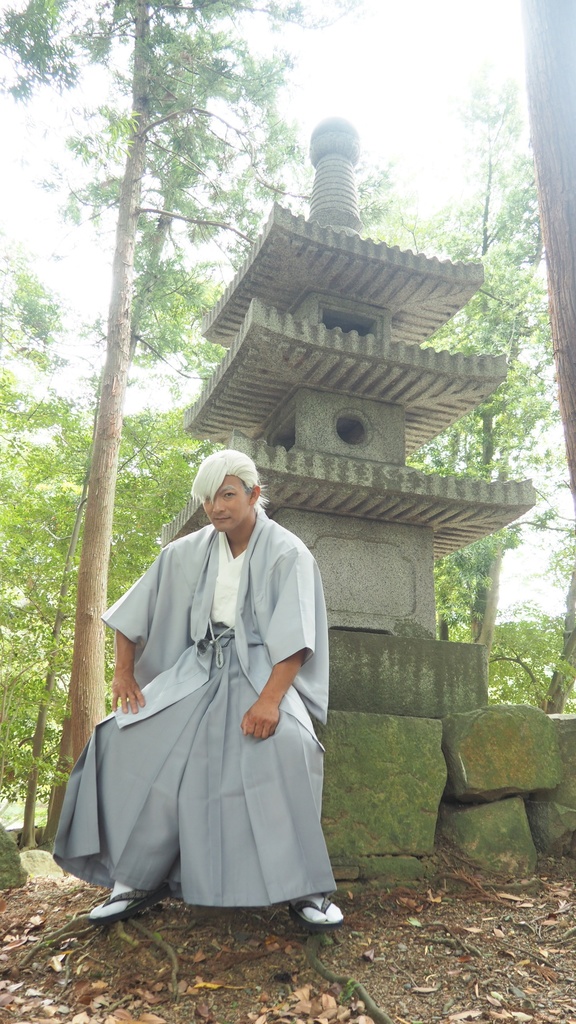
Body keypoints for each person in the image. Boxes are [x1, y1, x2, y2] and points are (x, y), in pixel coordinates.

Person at [54, 449, 343, 932]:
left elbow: (297, 640)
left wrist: (270, 701)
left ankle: (306, 889)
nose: (216, 507)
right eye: (208, 498)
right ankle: (134, 879)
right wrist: (123, 673)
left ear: (253, 494)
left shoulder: (289, 552)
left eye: (226, 495)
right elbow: (133, 612)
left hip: (262, 672)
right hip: (198, 666)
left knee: (289, 746)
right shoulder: (185, 551)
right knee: (122, 736)